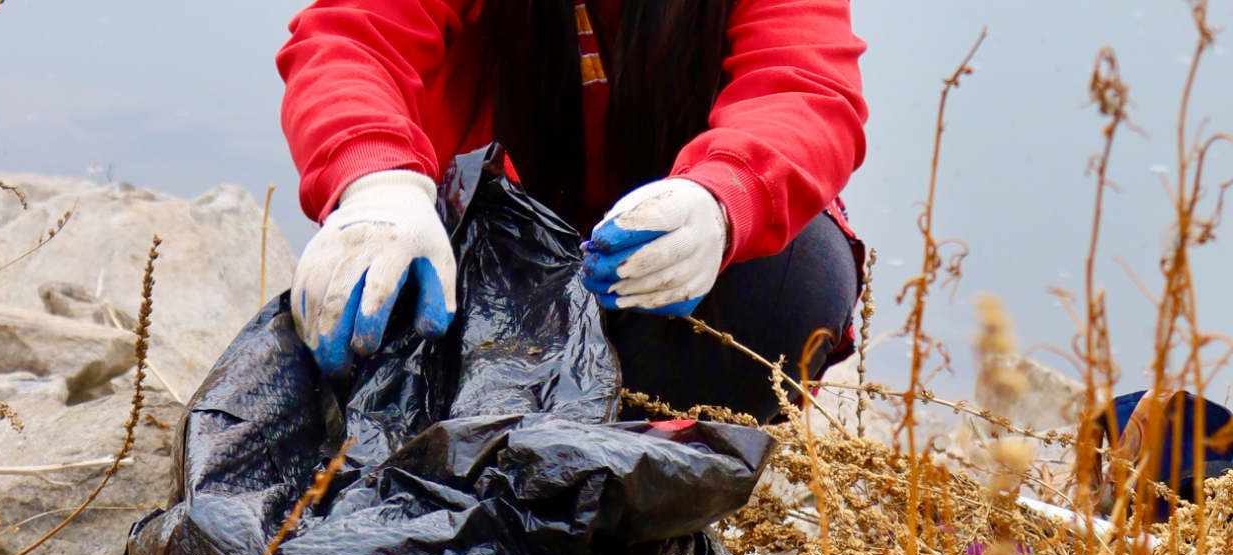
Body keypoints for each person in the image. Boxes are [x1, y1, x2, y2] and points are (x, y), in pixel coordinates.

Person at [277, 0, 868, 422]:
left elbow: (805, 87)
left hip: (664, 277)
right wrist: (376, 183)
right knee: (378, 294)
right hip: (480, 265)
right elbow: (353, 39)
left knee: (796, 281)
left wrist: (722, 199)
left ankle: (646, 442)